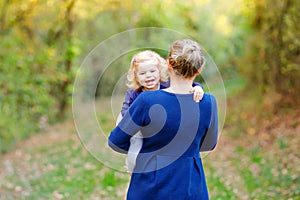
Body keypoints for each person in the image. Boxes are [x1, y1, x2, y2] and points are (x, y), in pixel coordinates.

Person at [109, 39, 218, 199]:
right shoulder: (208, 102)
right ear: (199, 70)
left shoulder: (146, 100)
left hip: (148, 186)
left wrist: (144, 150)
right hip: (190, 186)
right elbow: (209, 144)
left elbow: (116, 140)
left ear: (168, 64)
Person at [118, 50, 204, 172]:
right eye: (142, 73)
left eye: (152, 71)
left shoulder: (167, 86)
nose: (148, 76)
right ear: (136, 76)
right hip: (139, 127)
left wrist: (198, 88)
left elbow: (188, 84)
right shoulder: (133, 94)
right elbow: (125, 111)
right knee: (136, 147)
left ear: (160, 72)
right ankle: (134, 170)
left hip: (160, 125)